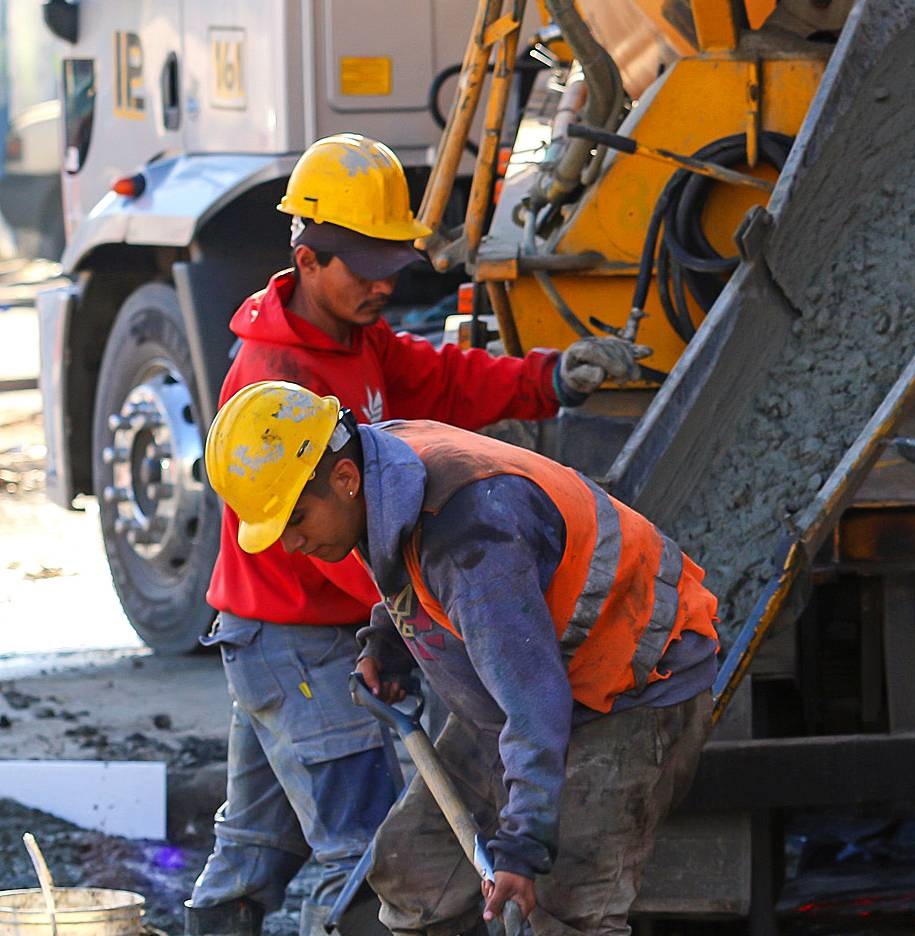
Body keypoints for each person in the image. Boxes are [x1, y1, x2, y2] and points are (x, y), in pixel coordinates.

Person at [186, 133, 640, 936]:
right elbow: (333, 547)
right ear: (308, 255)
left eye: (389, 260)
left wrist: (547, 378)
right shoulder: (274, 380)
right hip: (296, 642)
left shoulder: (351, 337)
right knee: (365, 857)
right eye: (363, 265)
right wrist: (428, 614)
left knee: (254, 848)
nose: (383, 282)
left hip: (276, 642)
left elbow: (442, 381)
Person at [204, 381, 719, 936]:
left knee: (563, 909)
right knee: (414, 872)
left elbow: (533, 702)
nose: (292, 546)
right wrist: (390, 648)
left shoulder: (471, 534)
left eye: (296, 520)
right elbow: (413, 569)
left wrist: (523, 848)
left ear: (345, 480)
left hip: (625, 693)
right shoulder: (379, 462)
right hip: (523, 689)